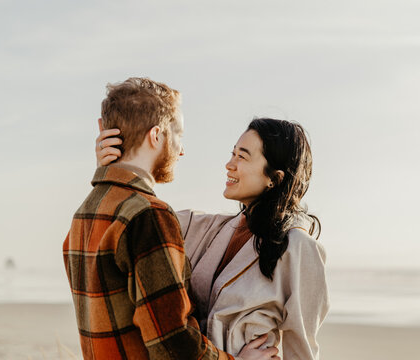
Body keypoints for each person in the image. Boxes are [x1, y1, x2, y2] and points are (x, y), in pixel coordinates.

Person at [64, 77, 279, 360]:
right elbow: (172, 342)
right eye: (177, 135)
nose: (181, 150)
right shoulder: (148, 216)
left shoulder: (85, 214)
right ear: (156, 136)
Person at [97, 117, 329, 359]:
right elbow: (127, 221)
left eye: (243, 156)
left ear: (275, 178)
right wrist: (114, 167)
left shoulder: (300, 248)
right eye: (233, 153)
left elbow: (302, 349)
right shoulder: (208, 227)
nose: (229, 164)